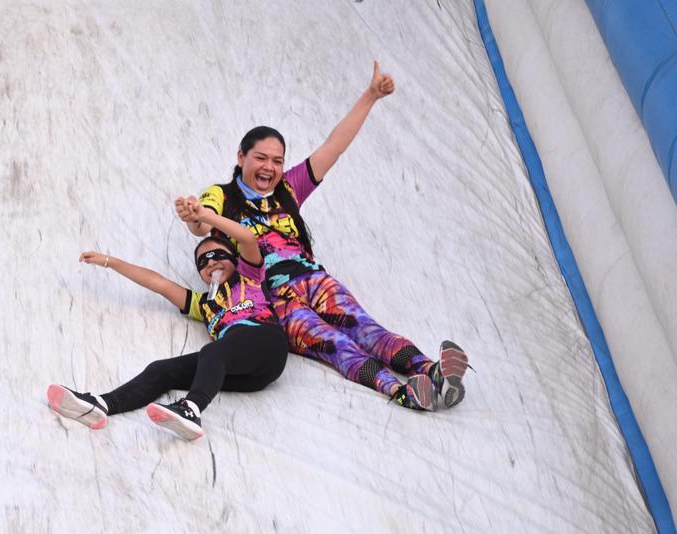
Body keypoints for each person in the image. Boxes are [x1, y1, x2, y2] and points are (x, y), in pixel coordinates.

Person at [176, 61, 469, 412]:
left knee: (366, 328)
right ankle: (400, 391)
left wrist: (371, 96)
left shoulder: (289, 188)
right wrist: (194, 216)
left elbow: (334, 146)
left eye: (277, 160)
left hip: (314, 280)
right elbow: (203, 224)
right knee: (333, 344)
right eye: (260, 158)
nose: (269, 167)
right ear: (241, 157)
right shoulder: (221, 195)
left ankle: (432, 371)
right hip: (273, 298)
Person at [47, 201, 288, 440]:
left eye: (217, 255)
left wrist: (206, 216)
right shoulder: (203, 304)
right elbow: (159, 284)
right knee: (162, 370)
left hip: (268, 345)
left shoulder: (250, 276)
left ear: (235, 259)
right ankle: (102, 405)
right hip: (248, 375)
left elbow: (247, 238)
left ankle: (191, 409)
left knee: (213, 352)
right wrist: (111, 262)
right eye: (203, 262)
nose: (211, 262)